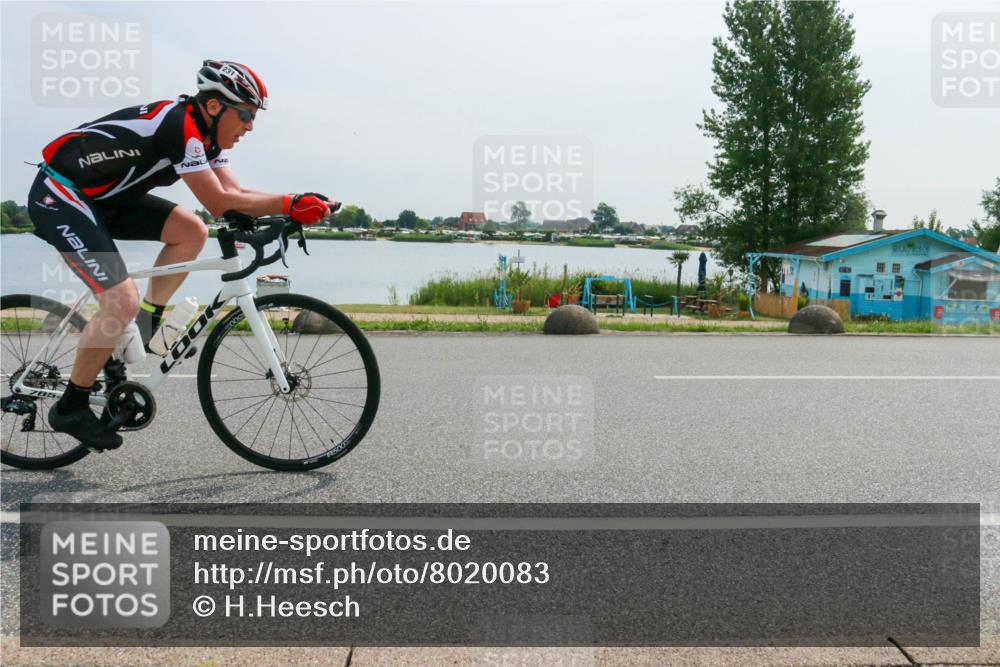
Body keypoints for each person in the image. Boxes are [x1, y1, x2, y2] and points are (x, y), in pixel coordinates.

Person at [28, 60, 336, 451]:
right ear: (213, 107)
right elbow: (218, 200)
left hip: (103, 200)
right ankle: (70, 406)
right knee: (120, 299)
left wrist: (291, 207)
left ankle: (145, 325)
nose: (250, 127)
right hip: (61, 195)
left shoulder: (208, 140)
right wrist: (291, 202)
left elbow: (235, 197)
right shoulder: (180, 127)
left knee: (192, 230)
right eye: (245, 115)